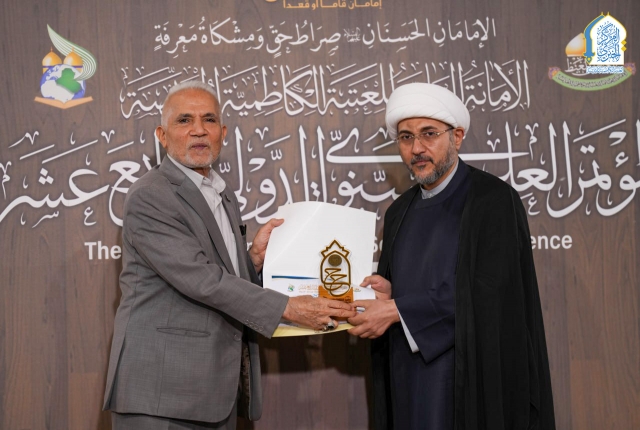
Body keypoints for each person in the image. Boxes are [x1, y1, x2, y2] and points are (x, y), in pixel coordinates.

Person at [102, 81, 355, 429]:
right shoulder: (151, 195)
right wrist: (289, 308)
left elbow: (219, 274)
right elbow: (202, 280)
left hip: (212, 393)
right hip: (161, 395)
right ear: (162, 136)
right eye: (184, 120)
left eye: (208, 119)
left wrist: (252, 259)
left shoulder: (222, 193)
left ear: (222, 133)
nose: (198, 130)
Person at [347, 83, 555, 430]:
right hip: (407, 373)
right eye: (406, 137)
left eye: (429, 134)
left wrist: (398, 310)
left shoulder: (493, 200)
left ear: (457, 137)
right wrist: (389, 293)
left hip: (471, 377)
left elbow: (489, 292)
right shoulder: (399, 212)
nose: (417, 148)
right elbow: (410, 289)